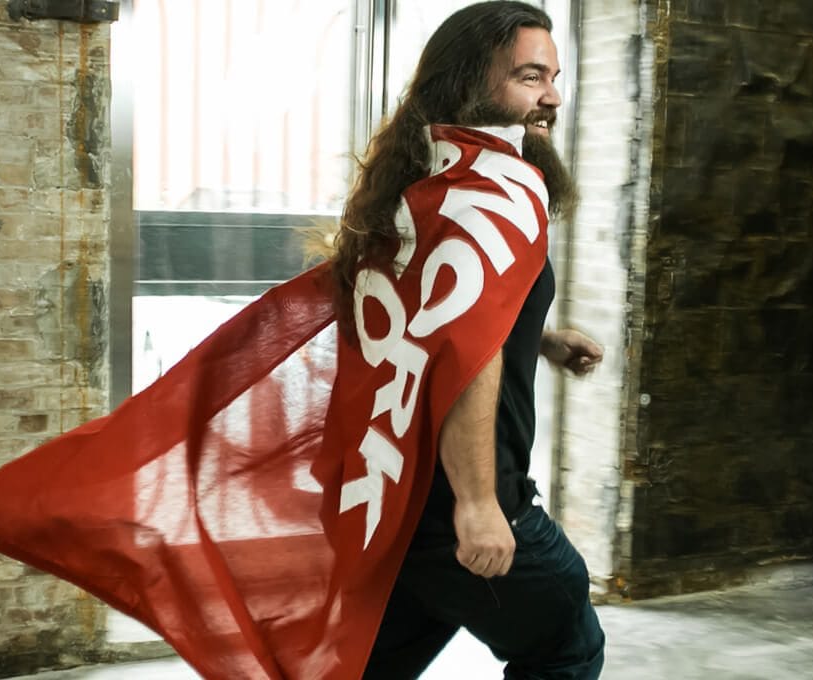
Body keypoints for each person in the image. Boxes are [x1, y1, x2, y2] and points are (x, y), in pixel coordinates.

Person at [327, 2, 608, 678]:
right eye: (530, 77)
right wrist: (481, 507)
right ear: (468, 82)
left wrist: (537, 337)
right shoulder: (493, 191)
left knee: (370, 666)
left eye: (554, 77)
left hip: (390, 493)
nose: (552, 98)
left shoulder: (428, 185)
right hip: (459, 501)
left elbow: (433, 316)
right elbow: (464, 350)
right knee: (567, 645)